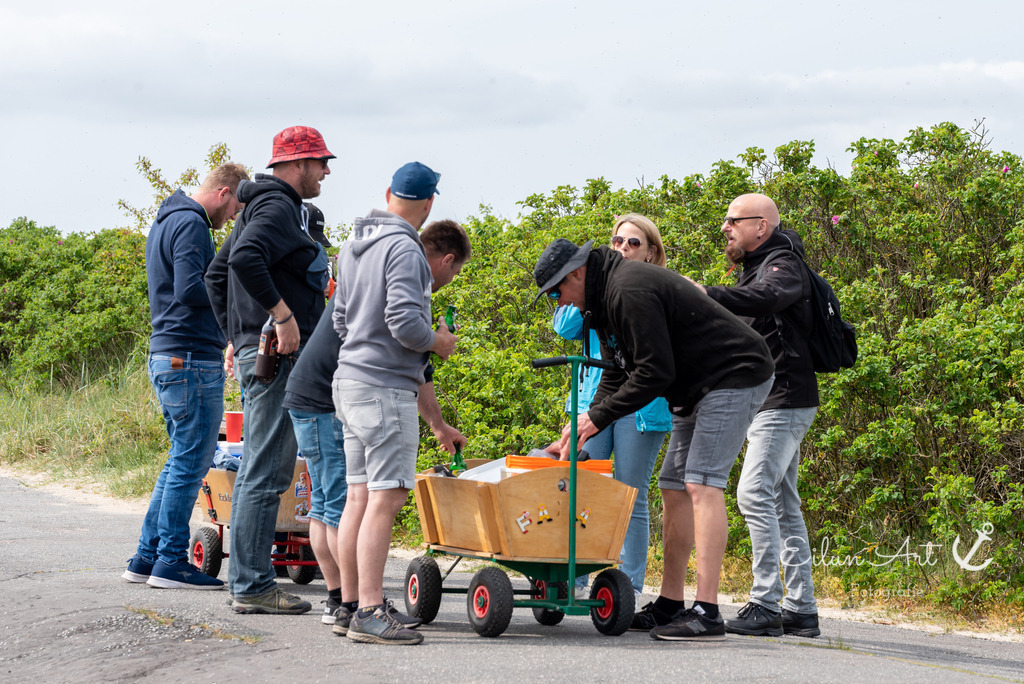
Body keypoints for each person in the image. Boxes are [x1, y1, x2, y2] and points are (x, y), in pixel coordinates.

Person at [534, 238, 774, 641]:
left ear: (577, 274)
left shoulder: (628, 289)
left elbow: (654, 373)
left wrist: (596, 418)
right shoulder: (602, 298)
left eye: (557, 292)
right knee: (673, 486)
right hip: (693, 385)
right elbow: (617, 370)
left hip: (733, 373)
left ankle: (708, 611)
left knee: (701, 482)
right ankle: (671, 602)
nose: (559, 303)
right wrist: (582, 423)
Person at [205, 126, 334, 614]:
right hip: (277, 360)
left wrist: (236, 337)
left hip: (259, 353)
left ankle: (249, 581)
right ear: (296, 163)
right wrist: (280, 317)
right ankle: (254, 585)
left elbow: (217, 275)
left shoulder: (261, 205)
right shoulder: (279, 205)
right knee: (266, 469)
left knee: (262, 465)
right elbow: (243, 259)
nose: (327, 170)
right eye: (321, 161)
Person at [331, 164, 462, 645]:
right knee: (385, 499)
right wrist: (438, 343)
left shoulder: (352, 244)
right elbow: (406, 323)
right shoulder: (405, 247)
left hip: (348, 381)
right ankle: (369, 611)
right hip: (385, 389)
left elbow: (341, 321)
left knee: (359, 497)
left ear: (389, 193)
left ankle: (348, 605)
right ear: (428, 206)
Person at [696, 194, 822, 638]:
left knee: (752, 493)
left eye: (733, 220)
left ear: (761, 227)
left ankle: (765, 603)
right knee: (783, 503)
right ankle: (801, 609)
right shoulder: (758, 265)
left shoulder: (781, 262)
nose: (725, 227)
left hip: (784, 398)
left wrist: (705, 293)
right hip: (776, 398)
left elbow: (767, 297)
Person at [124, 163, 249, 590]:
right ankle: (171, 561)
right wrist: (235, 288)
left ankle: (147, 556)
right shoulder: (193, 224)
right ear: (225, 192)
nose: (231, 218)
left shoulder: (167, 220)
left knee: (181, 458)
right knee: (191, 461)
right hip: (189, 357)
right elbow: (189, 288)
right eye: (234, 209)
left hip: (171, 354)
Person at [547, 214, 671, 597]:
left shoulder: (655, 288)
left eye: (633, 243)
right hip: (591, 403)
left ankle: (628, 586)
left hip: (641, 405)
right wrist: (580, 283)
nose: (622, 248)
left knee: (629, 494)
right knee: (581, 487)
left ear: (651, 254)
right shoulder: (595, 290)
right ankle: (575, 577)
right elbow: (564, 327)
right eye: (617, 242)